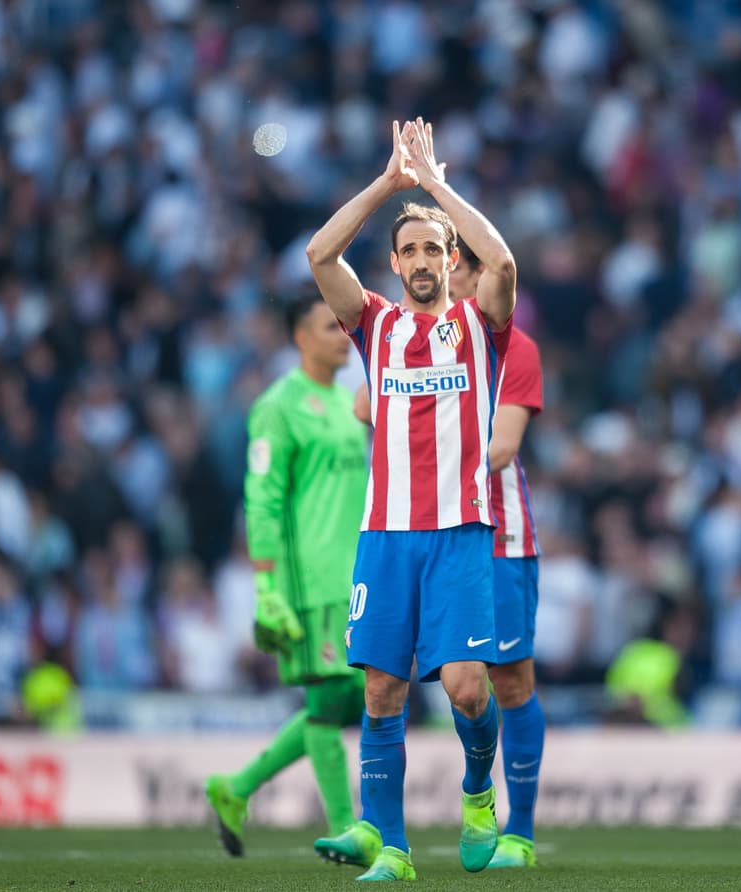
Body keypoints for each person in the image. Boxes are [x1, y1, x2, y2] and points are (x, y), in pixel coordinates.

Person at [306, 118, 516, 882]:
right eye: (412, 250)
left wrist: (433, 186)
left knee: (465, 690)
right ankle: (391, 847)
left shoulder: (477, 324)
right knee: (383, 688)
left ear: (448, 259)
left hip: (459, 531)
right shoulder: (375, 327)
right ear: (393, 264)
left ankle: (475, 791)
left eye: (435, 249)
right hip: (387, 536)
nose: (424, 260)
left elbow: (502, 259)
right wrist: (389, 185)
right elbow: (319, 254)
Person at [204, 295, 375, 866]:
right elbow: (262, 496)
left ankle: (237, 786)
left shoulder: (350, 402)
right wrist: (267, 584)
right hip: (311, 578)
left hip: (357, 573)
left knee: (348, 696)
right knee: (329, 699)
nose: (340, 336)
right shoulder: (278, 406)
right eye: (329, 327)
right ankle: (348, 827)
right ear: (300, 338)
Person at [455, 239, 546, 868]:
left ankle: (523, 830)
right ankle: (477, 795)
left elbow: (504, 445)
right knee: (460, 682)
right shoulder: (408, 340)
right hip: (435, 536)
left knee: (510, 680)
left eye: (449, 263)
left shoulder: (516, 347)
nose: (436, 273)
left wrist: (429, 462)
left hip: (499, 535)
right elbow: (362, 403)